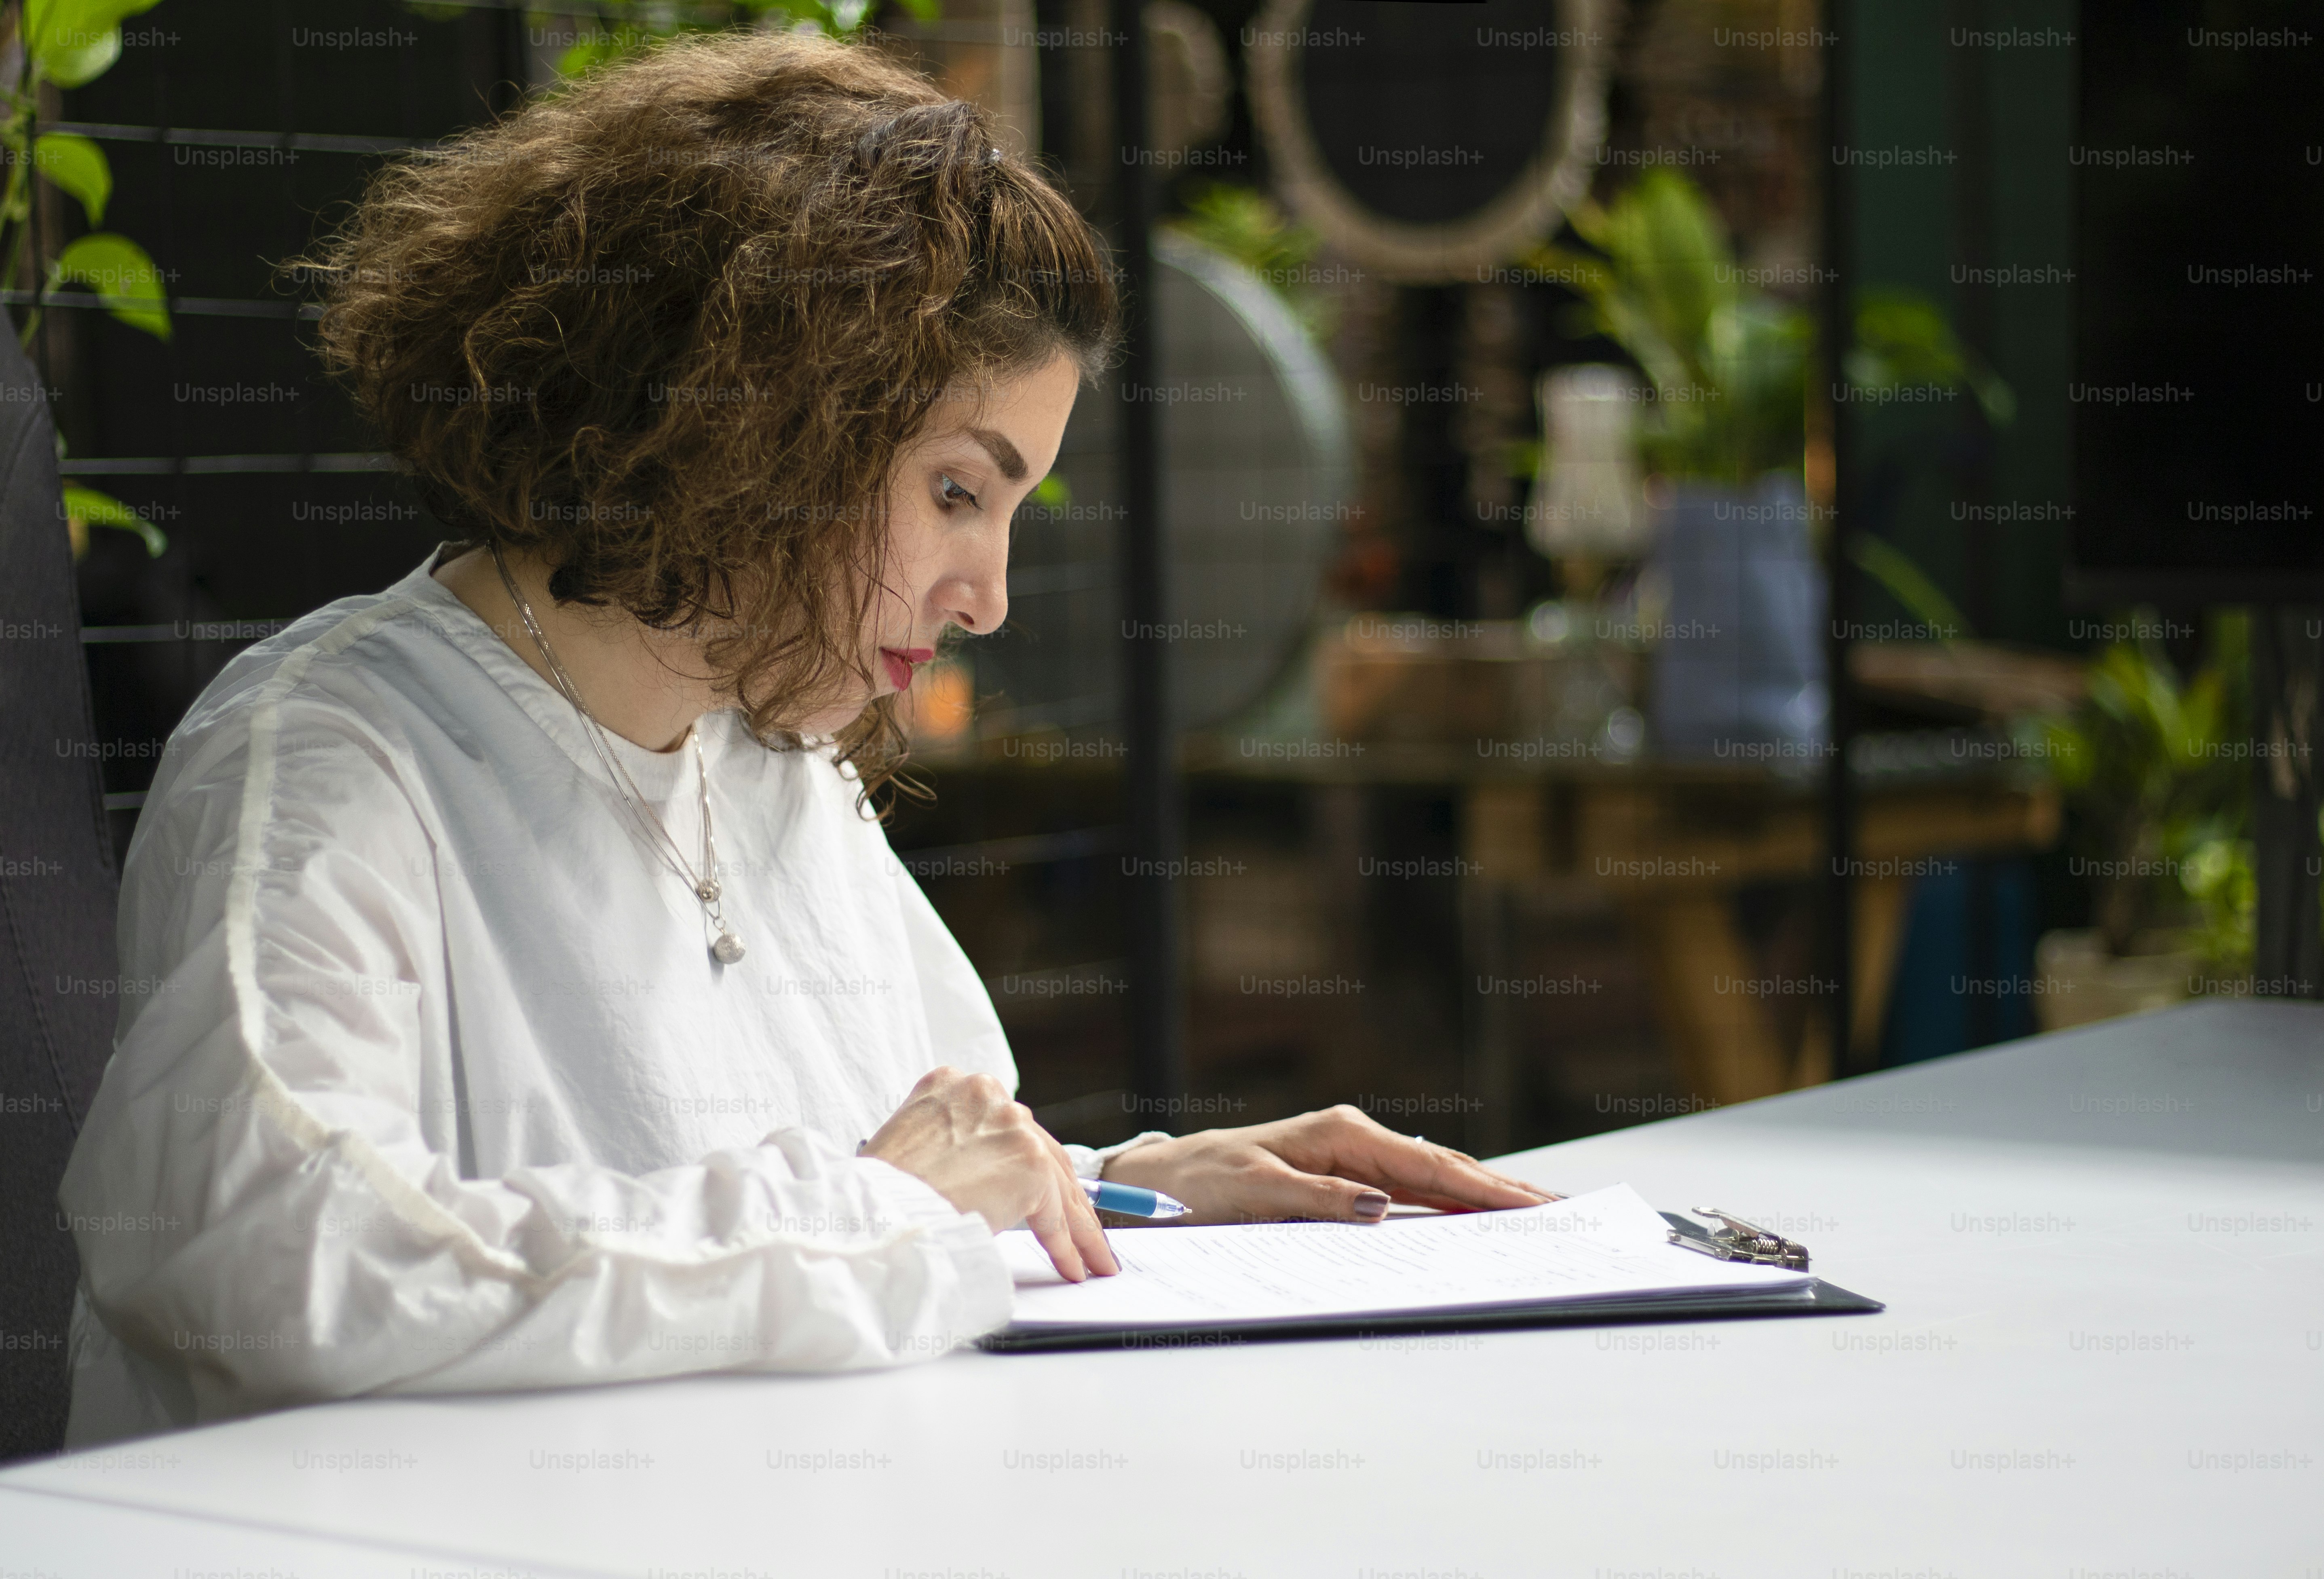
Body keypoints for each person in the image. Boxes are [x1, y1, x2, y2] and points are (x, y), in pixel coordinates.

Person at [56, 29, 1549, 1446]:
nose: (993, 597)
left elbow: (890, 1179)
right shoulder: (324, 757)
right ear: (763, 415)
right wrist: (885, 1211)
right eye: (959, 493)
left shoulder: (772, 764)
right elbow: (258, 1251)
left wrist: (1125, 1187)